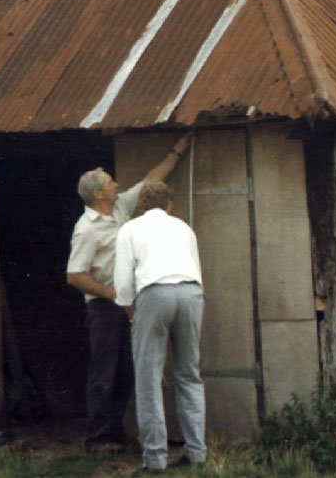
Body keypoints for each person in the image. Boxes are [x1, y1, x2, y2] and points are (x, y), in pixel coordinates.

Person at [66, 134, 193, 454]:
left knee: (126, 370)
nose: (116, 184)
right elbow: (75, 276)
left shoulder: (120, 206)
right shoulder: (87, 228)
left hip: (126, 303)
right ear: (98, 193)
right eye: (110, 182)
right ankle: (97, 438)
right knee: (104, 371)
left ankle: (115, 432)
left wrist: (177, 151)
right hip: (104, 307)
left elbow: (151, 181)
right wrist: (112, 294)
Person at [114, 181, 206, 473]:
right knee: (189, 374)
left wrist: (129, 307)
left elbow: (123, 280)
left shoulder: (129, 229)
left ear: (141, 204)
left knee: (148, 379)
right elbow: (196, 267)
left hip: (154, 294)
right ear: (169, 204)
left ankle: (154, 458)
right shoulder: (183, 227)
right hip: (191, 292)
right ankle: (196, 452)